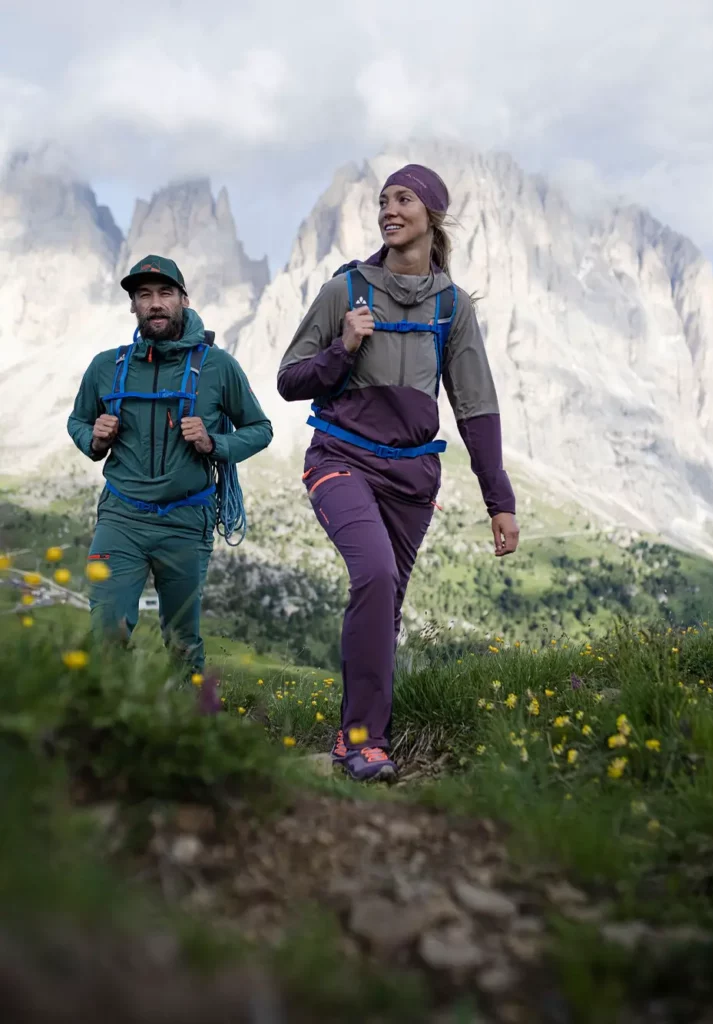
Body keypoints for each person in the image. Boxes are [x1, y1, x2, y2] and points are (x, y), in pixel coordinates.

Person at [277, 164, 519, 781]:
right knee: (375, 574)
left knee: (386, 607)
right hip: (340, 460)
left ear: (431, 215)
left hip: (413, 479)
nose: (389, 209)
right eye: (383, 200)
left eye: (403, 199)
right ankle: (366, 743)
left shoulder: (451, 307)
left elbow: (476, 407)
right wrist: (342, 348)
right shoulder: (345, 291)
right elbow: (289, 380)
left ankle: (347, 739)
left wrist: (500, 500)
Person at [68, 255, 272, 672]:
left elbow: (260, 428)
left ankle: (186, 729)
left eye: (165, 293)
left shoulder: (218, 366)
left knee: (182, 642)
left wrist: (214, 442)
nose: (155, 303)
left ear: (183, 298)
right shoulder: (107, 366)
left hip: (185, 521)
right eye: (144, 295)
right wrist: (94, 436)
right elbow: (77, 420)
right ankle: (107, 729)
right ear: (133, 306)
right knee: (107, 630)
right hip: (121, 518)